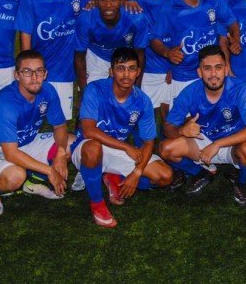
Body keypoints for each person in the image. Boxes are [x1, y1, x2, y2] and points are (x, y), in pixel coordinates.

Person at [70, 48, 173, 227]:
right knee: (93, 148)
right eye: (120, 68)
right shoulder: (95, 89)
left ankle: (112, 175)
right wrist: (126, 147)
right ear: (111, 71)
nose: (126, 74)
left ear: (138, 72)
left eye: (131, 69)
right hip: (86, 147)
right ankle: (98, 205)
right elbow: (88, 130)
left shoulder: (143, 101)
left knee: (165, 176)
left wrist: (137, 172)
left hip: (115, 149)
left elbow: (149, 141)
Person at [160, 45, 246, 205]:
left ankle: (241, 182)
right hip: (203, 141)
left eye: (218, 67)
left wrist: (217, 144)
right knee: (165, 149)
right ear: (199, 72)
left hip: (234, 143)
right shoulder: (189, 92)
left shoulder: (240, 89)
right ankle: (201, 173)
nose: (213, 74)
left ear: (226, 70)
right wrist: (182, 130)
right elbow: (167, 128)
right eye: (207, 68)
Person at [0, 50, 70, 216]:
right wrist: (50, 171)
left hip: (26, 141)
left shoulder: (48, 90)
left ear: (45, 74)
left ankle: (31, 182)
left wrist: (61, 153)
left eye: (39, 71)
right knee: (16, 176)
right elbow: (11, 153)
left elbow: (60, 126)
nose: (34, 77)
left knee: (70, 144)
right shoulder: (6, 102)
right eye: (27, 71)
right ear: (16, 75)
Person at [15, 0, 91, 121]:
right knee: (30, 120)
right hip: (39, 70)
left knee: (60, 122)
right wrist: (28, 70)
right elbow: (25, 34)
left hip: (66, 71)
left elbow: (89, 20)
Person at [150, 0, 240, 106]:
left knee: (215, 115)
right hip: (184, 75)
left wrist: (236, 38)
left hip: (210, 72)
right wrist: (167, 53)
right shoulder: (170, 9)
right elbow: (155, 40)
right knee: (184, 118)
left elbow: (231, 21)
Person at [122, 0, 174, 121]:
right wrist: (124, 1)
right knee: (141, 115)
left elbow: (182, 32)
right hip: (142, 67)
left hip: (167, 67)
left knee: (168, 116)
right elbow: (107, 0)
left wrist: (176, 66)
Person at [74, 0, 149, 89]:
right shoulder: (85, 19)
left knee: (123, 96)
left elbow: (140, 54)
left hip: (124, 57)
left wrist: (137, 88)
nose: (108, 5)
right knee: (94, 95)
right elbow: (79, 57)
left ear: (121, 1)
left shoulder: (137, 18)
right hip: (96, 58)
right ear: (96, 1)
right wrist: (84, 91)